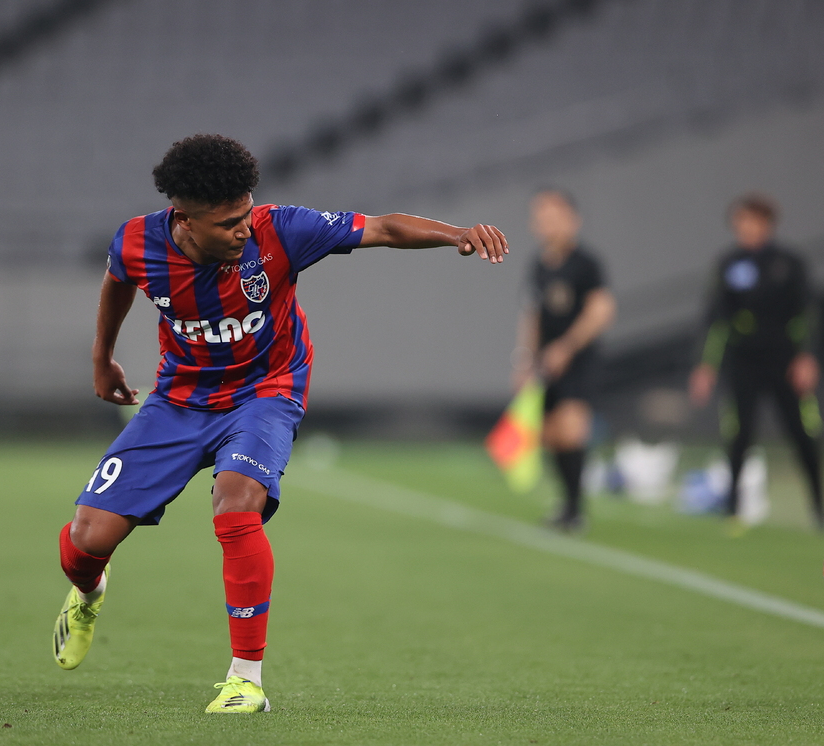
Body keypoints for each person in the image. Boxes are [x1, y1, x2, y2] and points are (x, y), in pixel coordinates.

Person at [53, 134, 508, 713]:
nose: (243, 230)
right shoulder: (138, 241)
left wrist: (456, 233)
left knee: (236, 502)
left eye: (246, 213)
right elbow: (119, 279)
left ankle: (245, 680)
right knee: (87, 540)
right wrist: (102, 358)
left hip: (265, 392)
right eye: (228, 223)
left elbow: (383, 228)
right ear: (185, 221)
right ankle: (89, 592)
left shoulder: (281, 230)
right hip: (179, 400)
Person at [688, 193, 824, 531]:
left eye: (751, 221)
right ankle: (732, 509)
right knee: (739, 433)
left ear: (767, 223)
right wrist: (705, 365)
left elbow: (807, 313)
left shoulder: (789, 263)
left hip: (784, 358)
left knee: (803, 432)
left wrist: (806, 356)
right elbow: (715, 318)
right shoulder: (729, 263)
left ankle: (820, 510)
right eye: (740, 222)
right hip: (743, 359)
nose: (745, 228)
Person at [513, 189, 615, 532]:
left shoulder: (586, 264)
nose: (546, 223)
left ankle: (576, 509)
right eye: (541, 217)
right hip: (546, 363)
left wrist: (567, 347)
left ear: (573, 220)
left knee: (572, 428)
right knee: (552, 434)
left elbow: (602, 310)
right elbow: (532, 317)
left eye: (553, 216)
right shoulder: (538, 266)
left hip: (578, 360)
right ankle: (567, 504)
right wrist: (525, 361)